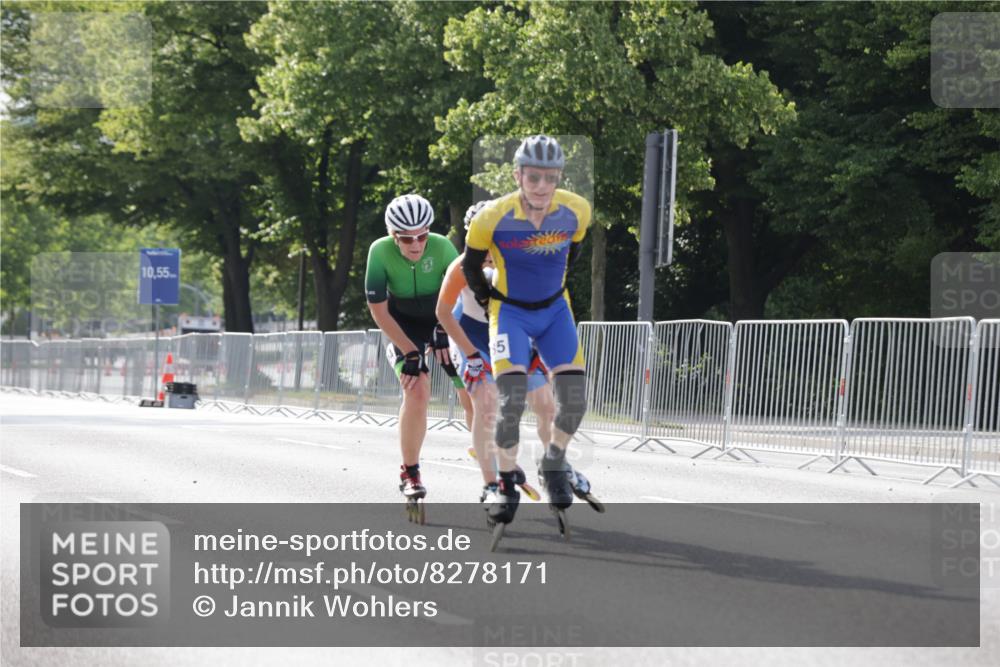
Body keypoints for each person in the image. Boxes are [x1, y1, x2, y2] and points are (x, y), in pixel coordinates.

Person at [461, 135, 594, 532]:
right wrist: (491, 301)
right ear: (518, 175)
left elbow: (576, 253)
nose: (541, 186)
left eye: (550, 178)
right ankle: (504, 485)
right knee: (512, 402)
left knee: (574, 400)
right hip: (511, 312)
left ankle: (553, 461)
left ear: (559, 178)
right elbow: (470, 269)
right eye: (533, 177)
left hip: (555, 309)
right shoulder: (493, 217)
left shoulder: (576, 210)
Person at [435, 200, 555, 505]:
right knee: (486, 404)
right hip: (470, 335)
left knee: (545, 405)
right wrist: (470, 355)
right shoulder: (461, 268)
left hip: (508, 333)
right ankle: (491, 486)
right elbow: (443, 313)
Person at [365, 194, 463, 518]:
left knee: (471, 389)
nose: (416, 244)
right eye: (407, 238)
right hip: (401, 325)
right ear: (394, 235)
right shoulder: (378, 252)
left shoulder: (443, 247)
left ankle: (494, 473)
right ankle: (410, 472)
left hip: (441, 321)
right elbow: (378, 311)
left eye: (422, 235)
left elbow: (460, 298)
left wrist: (444, 330)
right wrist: (409, 351)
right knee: (417, 389)